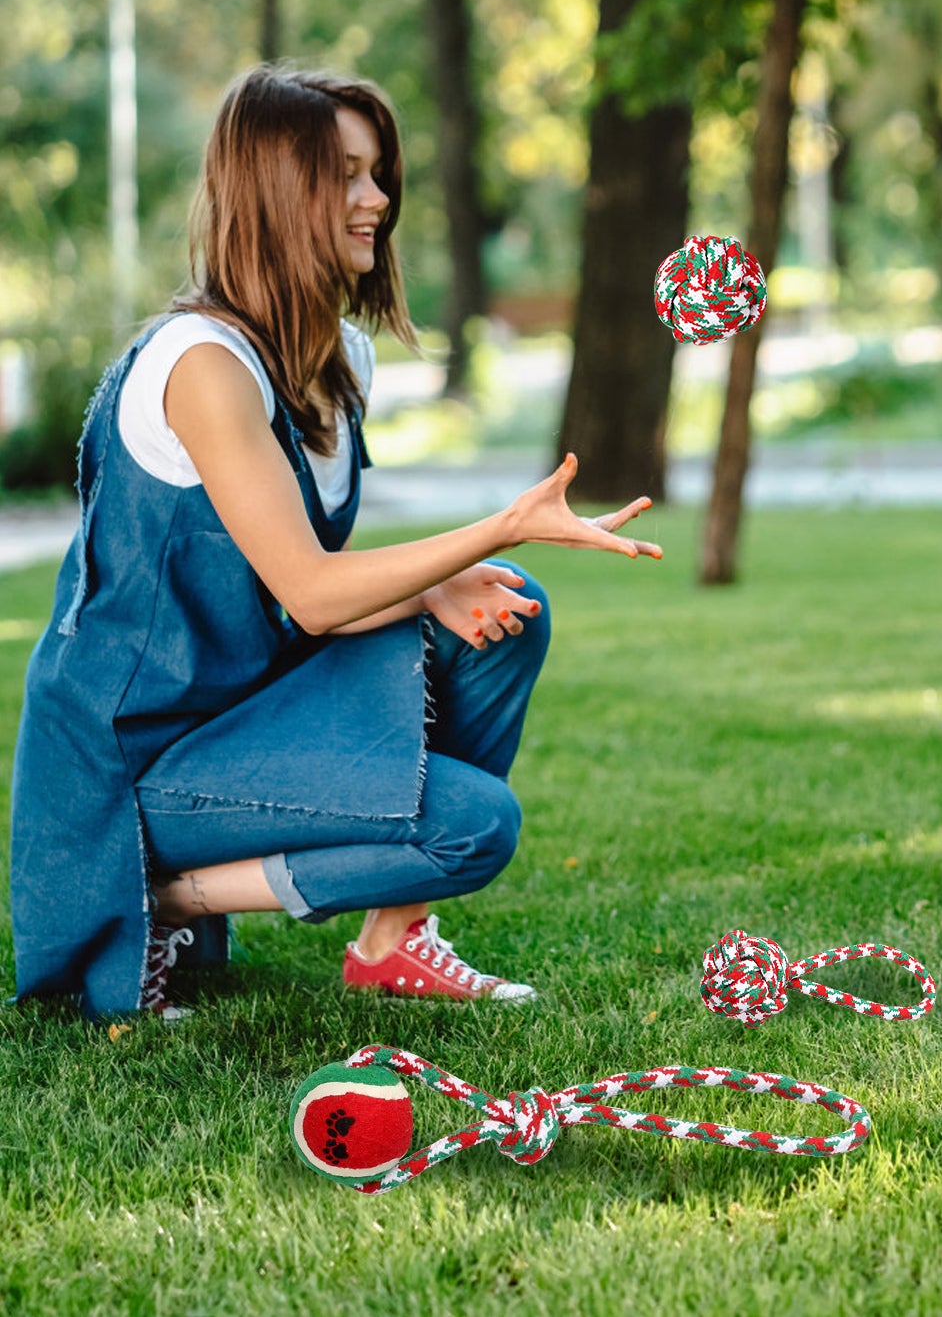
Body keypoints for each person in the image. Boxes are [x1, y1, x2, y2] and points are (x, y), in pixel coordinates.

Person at [7, 65, 659, 1021]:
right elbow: (311, 593)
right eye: (347, 174)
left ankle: (394, 943)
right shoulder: (202, 367)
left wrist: (441, 587)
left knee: (505, 607)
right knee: (473, 827)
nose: (378, 199)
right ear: (276, 189)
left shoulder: (335, 359)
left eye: (378, 172)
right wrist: (503, 520)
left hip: (243, 710)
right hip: (132, 764)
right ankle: (151, 893)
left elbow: (279, 593)